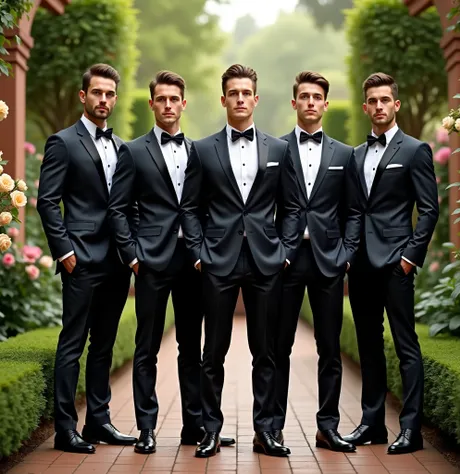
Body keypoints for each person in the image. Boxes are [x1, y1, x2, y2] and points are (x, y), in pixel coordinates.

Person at [107, 70, 235, 454]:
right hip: (150, 261)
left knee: (191, 347)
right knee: (145, 348)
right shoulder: (132, 151)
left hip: (192, 262)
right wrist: (132, 256)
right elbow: (119, 208)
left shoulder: (199, 150)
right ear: (152, 104)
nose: (167, 105)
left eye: (173, 99)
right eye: (160, 99)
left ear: (183, 103)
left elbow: (206, 205)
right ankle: (146, 428)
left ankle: (194, 426)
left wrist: (205, 251)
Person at [181, 64, 300, 458]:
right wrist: (200, 254)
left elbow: (293, 207)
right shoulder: (201, 149)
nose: (240, 98)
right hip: (218, 261)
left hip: (267, 262)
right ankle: (210, 431)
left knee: (265, 352)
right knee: (212, 352)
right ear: (223, 99)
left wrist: (284, 252)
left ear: (256, 98)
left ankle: (266, 431)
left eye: (246, 92)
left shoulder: (281, 150)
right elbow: (190, 207)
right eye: (233, 92)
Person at [37, 63, 138, 454]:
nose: (104, 100)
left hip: (115, 261)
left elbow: (125, 204)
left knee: (104, 346)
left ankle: (99, 421)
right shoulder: (62, 142)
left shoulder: (120, 145)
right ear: (84, 96)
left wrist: (130, 253)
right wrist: (65, 252)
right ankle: (66, 429)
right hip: (80, 259)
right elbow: (47, 202)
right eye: (97, 92)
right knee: (73, 344)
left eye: (110, 94)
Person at [342, 72, 439, 454]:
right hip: (362, 265)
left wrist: (410, 258)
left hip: (396, 264)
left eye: (385, 100)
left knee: (405, 346)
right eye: (373, 101)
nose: (379, 106)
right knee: (368, 345)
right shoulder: (356, 154)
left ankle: (411, 429)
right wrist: (349, 255)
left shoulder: (416, 150)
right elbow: (352, 209)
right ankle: (372, 424)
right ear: (365, 106)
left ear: (395, 104)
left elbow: (429, 210)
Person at [273, 71, 361, 452]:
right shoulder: (275, 150)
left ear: (325, 104)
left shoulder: (346, 154)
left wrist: (346, 254)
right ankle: (272, 428)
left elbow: (354, 211)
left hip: (329, 260)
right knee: (278, 349)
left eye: (317, 97)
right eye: (304, 96)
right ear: (295, 103)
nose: (310, 102)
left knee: (331, 349)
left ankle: (328, 426)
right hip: (287, 262)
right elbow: (264, 207)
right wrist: (276, 251)